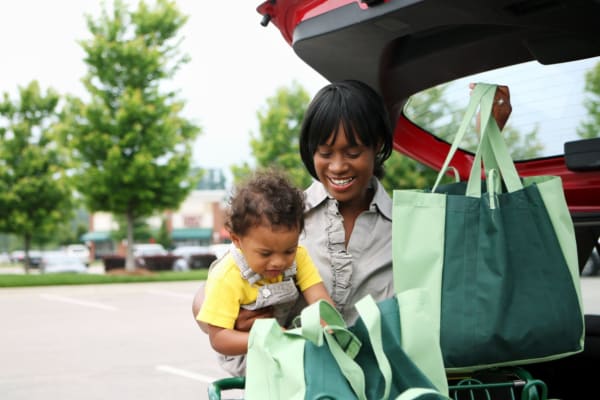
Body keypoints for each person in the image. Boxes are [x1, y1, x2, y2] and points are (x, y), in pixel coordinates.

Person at [192, 80, 512, 374]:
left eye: (353, 152)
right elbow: (217, 291)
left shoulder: (409, 225)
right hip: (295, 384)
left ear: (378, 147)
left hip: (380, 386)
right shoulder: (280, 219)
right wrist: (232, 318)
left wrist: (487, 139)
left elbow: (474, 229)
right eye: (325, 153)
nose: (338, 166)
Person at [196, 169, 334, 356]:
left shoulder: (299, 257)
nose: (278, 262)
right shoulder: (227, 276)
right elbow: (219, 338)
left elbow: (318, 298)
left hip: (283, 342)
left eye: (288, 250)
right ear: (237, 240)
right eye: (265, 253)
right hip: (244, 351)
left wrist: (329, 324)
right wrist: (268, 337)